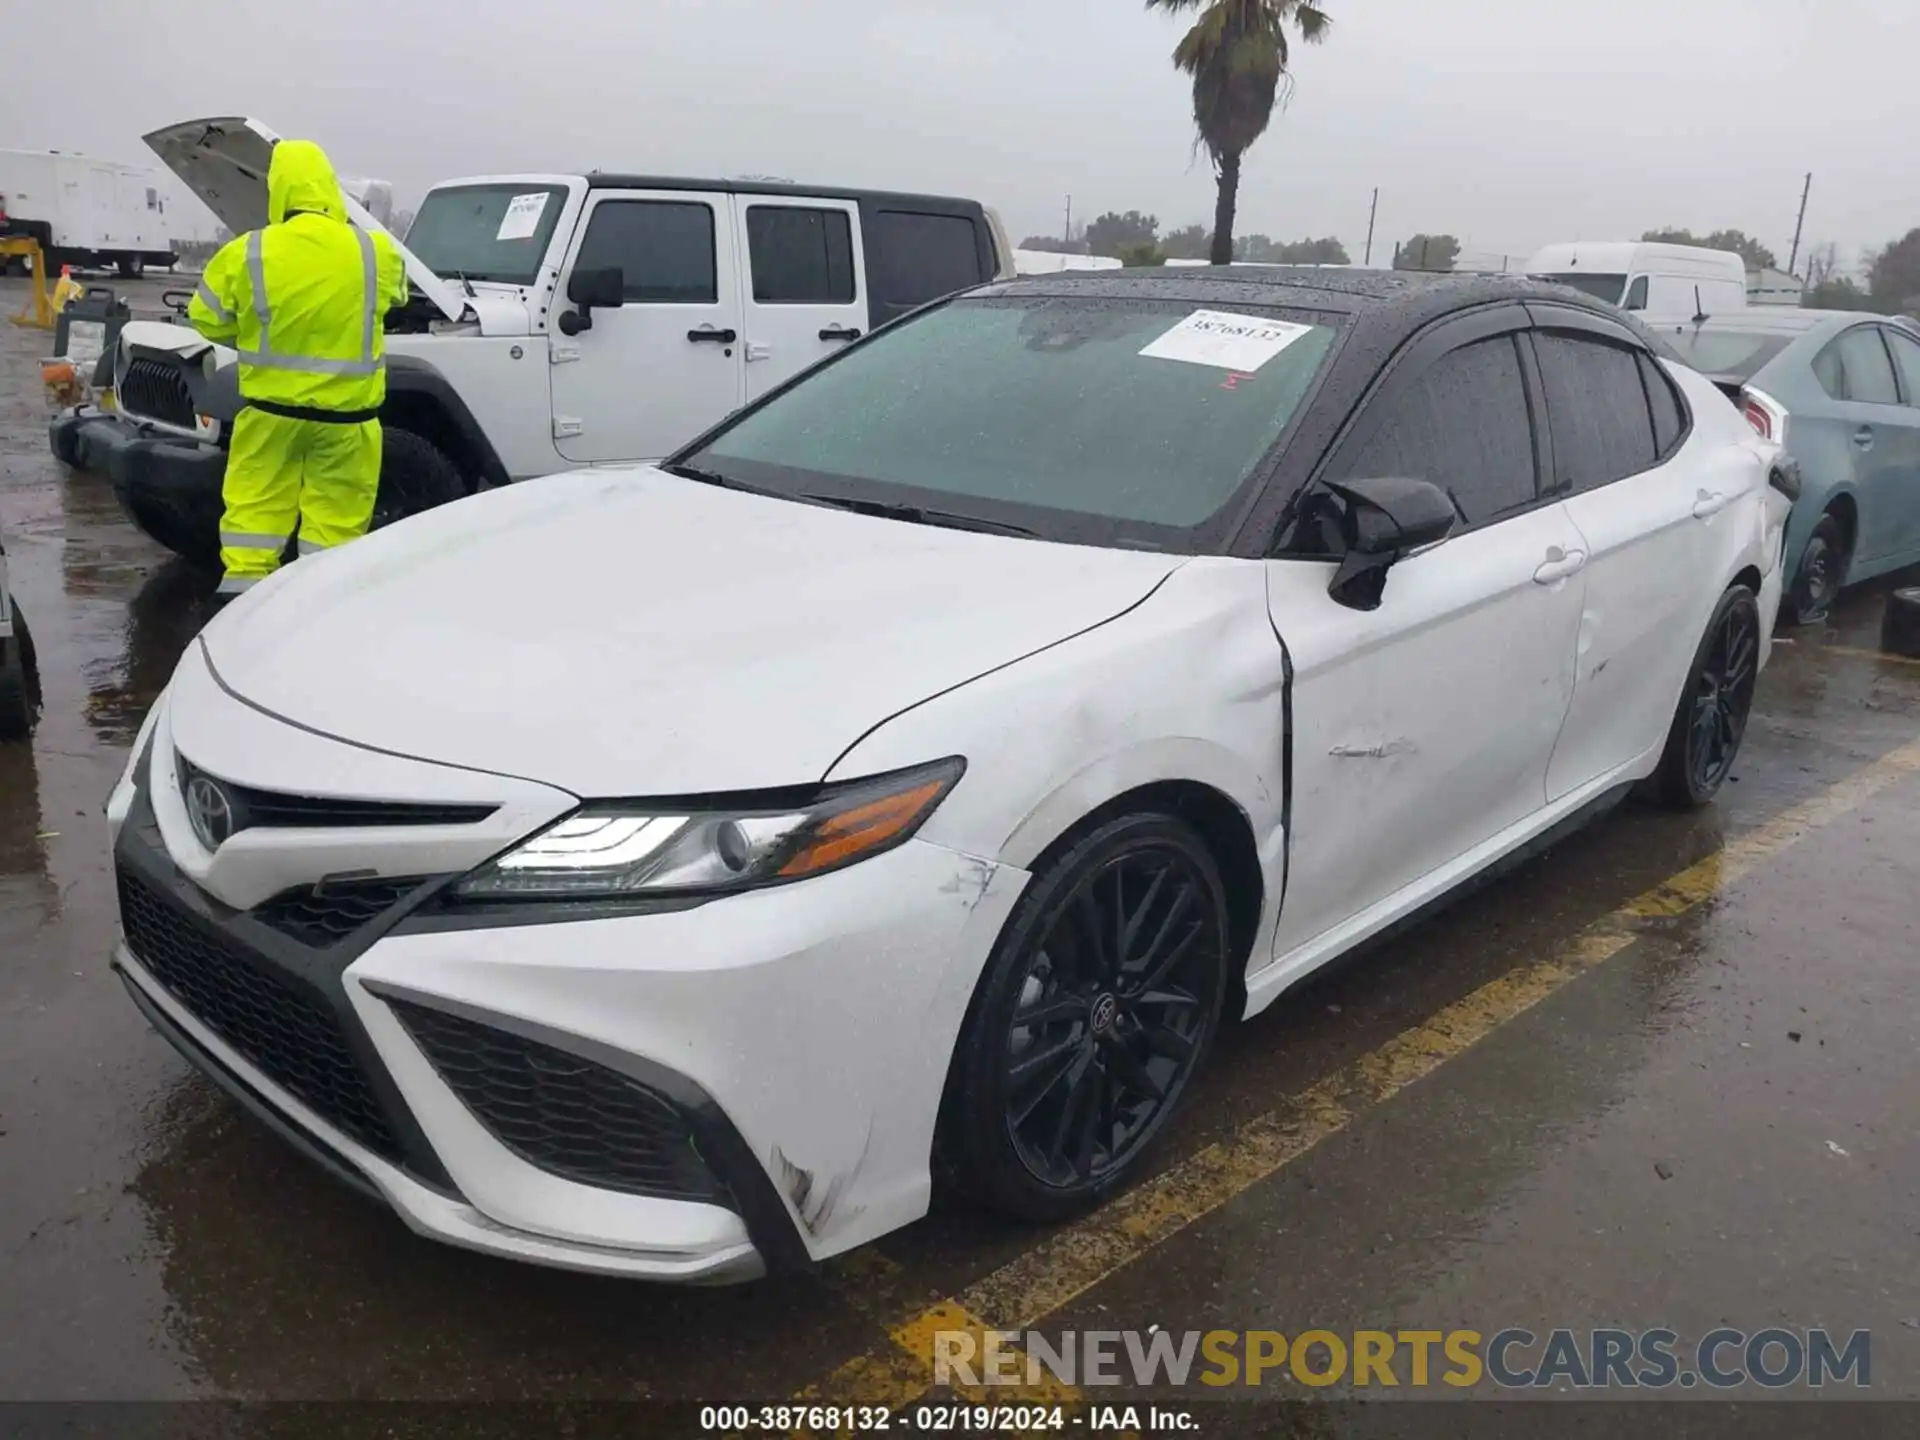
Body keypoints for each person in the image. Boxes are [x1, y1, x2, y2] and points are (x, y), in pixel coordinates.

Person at [188, 140, 409, 602]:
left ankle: (240, 617)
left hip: (271, 417)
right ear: (330, 187)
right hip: (348, 424)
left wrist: (256, 337)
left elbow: (205, 317)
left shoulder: (247, 251)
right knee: (335, 531)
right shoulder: (376, 251)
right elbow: (398, 300)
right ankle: (317, 621)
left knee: (254, 520)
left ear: (279, 190)